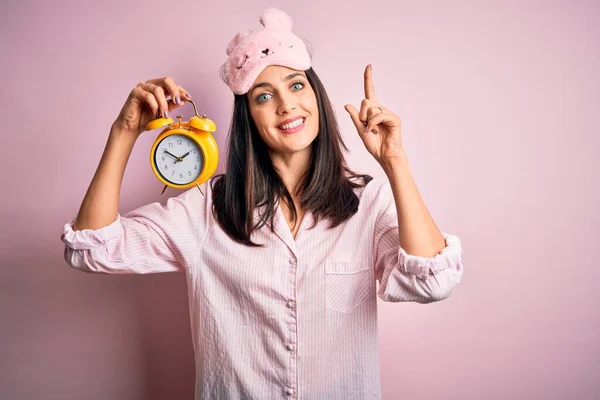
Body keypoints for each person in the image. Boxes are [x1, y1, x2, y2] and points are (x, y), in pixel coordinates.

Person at [61, 8, 464, 400]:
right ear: (248, 115)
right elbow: (93, 247)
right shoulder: (208, 208)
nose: (286, 105)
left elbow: (431, 281)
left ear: (316, 96)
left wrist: (394, 161)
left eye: (296, 85)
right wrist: (125, 130)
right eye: (263, 96)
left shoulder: (368, 202)